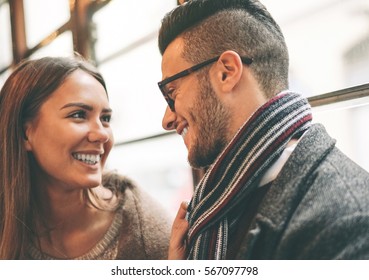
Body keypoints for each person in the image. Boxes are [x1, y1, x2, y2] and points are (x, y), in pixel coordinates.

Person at [157, 0, 369, 259]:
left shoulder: (347, 222)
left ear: (226, 72)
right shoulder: (213, 200)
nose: (166, 120)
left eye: (172, 92)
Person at [0, 56, 171, 259]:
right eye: (79, 115)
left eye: (105, 119)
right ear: (24, 134)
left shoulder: (142, 226)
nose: (102, 134)